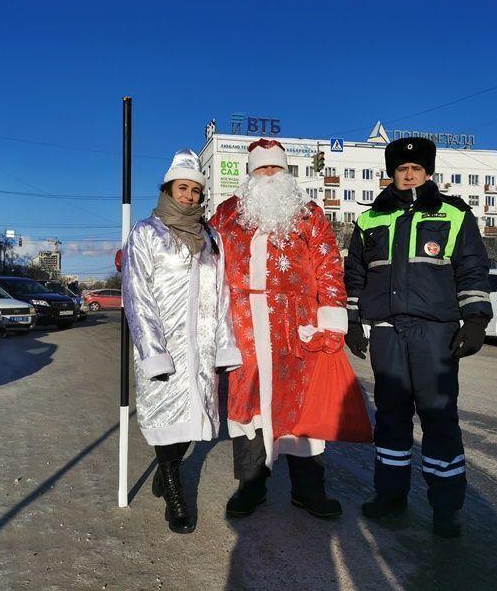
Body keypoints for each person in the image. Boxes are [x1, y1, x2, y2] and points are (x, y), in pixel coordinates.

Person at [343, 137, 493, 538]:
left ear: (428, 173)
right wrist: (353, 321)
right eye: (401, 170)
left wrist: (476, 319)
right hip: (389, 331)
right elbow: (355, 274)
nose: (408, 175)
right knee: (391, 417)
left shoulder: (454, 214)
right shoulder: (370, 219)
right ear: (391, 175)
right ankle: (390, 496)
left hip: (435, 330)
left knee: (439, 416)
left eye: (416, 169)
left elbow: (472, 268)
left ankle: (446, 508)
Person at [210, 138, 348, 519]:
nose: (269, 175)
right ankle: (251, 488)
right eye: (262, 168)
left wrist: (332, 321)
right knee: (246, 406)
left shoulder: (308, 214)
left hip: (296, 326)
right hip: (245, 325)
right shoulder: (226, 214)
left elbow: (329, 267)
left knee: (302, 409)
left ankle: (308, 490)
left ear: (286, 172)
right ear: (250, 173)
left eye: (276, 168)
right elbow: (199, 256)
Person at [122, 149, 241, 534]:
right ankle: (175, 496)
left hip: (202, 349)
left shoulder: (210, 237)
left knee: (190, 428)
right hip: (164, 347)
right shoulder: (146, 232)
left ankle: (166, 469)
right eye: (182, 188)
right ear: (168, 189)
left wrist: (224, 343)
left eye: (195, 190)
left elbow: (222, 294)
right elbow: (137, 295)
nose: (189, 196)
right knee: (165, 420)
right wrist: (152, 351)